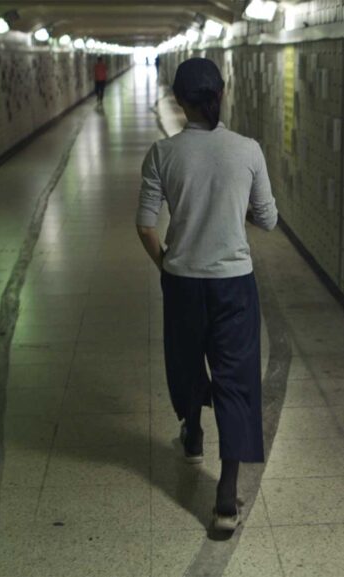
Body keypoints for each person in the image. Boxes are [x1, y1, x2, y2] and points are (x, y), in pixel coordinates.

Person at [135, 58, 277, 533]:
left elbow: (146, 225)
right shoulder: (248, 150)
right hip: (234, 282)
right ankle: (225, 497)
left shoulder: (162, 153)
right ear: (221, 93)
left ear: (178, 101)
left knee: (186, 361)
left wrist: (166, 264)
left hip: (182, 280)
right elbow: (268, 218)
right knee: (236, 379)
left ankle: (192, 433)